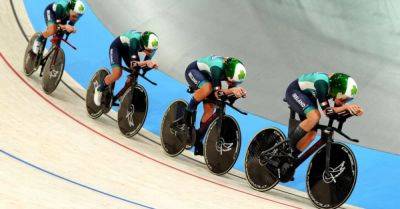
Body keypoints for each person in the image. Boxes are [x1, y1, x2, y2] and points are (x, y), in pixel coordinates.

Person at [173, 55, 247, 156]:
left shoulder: (234, 72)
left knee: (210, 109)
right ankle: (186, 116)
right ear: (228, 73)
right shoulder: (217, 68)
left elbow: (225, 96)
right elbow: (218, 93)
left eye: (235, 83)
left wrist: (236, 94)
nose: (232, 84)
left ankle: (198, 140)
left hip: (209, 77)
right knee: (208, 88)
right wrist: (231, 90)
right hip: (194, 71)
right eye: (231, 81)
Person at [285, 72, 364, 157]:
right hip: (295, 91)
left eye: (347, 100)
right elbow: (328, 112)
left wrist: (353, 112)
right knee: (314, 117)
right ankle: (287, 147)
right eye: (344, 99)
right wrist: (346, 107)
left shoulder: (334, 88)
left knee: (311, 134)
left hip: (308, 96)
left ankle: (291, 157)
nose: (344, 102)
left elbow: (335, 112)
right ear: (337, 91)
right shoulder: (321, 84)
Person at [93, 30, 159, 106]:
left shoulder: (152, 47)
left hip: (130, 50)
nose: (150, 52)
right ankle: (99, 89)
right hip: (117, 48)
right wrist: (146, 63)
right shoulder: (134, 40)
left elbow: (143, 67)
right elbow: (133, 64)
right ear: (143, 43)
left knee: (134, 75)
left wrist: (151, 66)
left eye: (152, 50)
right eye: (148, 50)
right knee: (117, 73)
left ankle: (118, 97)